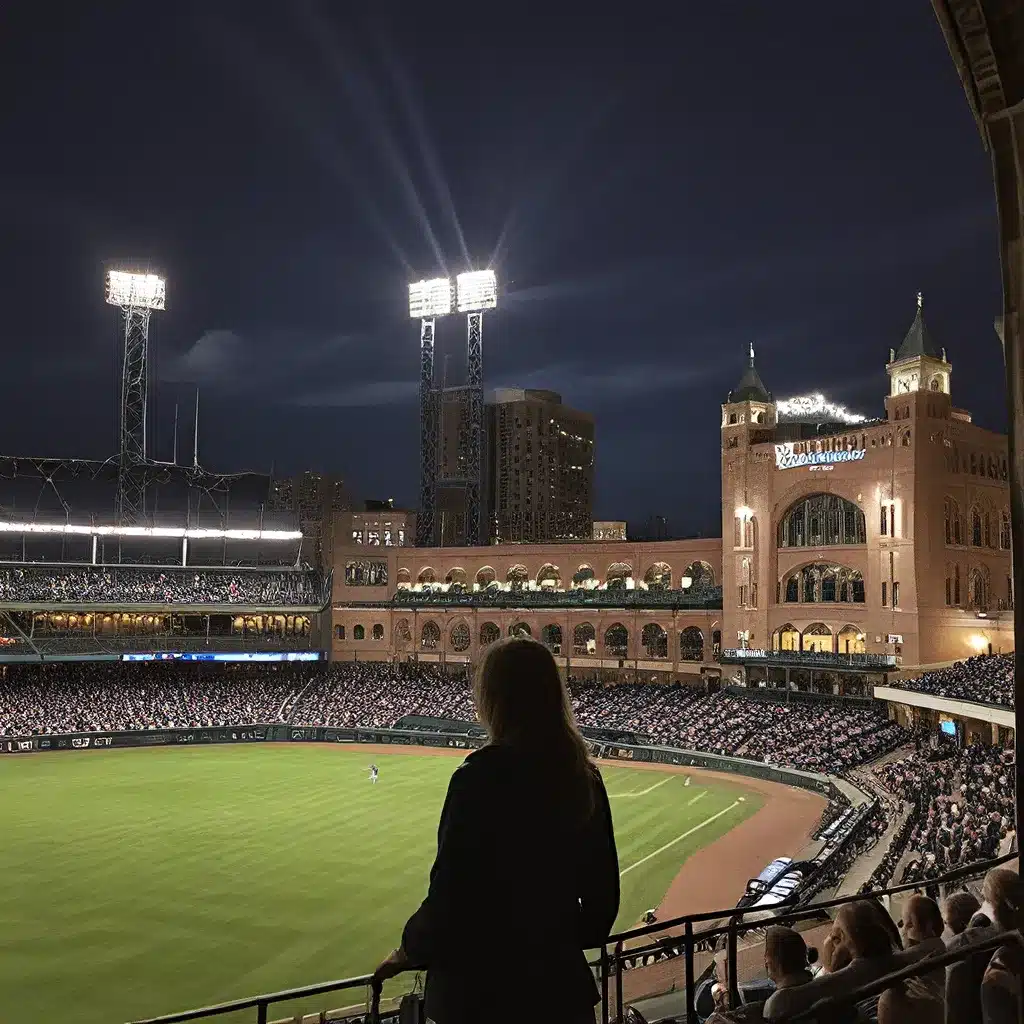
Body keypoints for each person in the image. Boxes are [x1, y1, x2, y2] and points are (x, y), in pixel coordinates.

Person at [373, 638, 620, 1024]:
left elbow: (450, 896)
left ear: (494, 701)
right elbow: (601, 908)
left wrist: (407, 951)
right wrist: (548, 940)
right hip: (559, 992)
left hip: (478, 997)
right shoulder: (582, 777)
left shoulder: (479, 778)